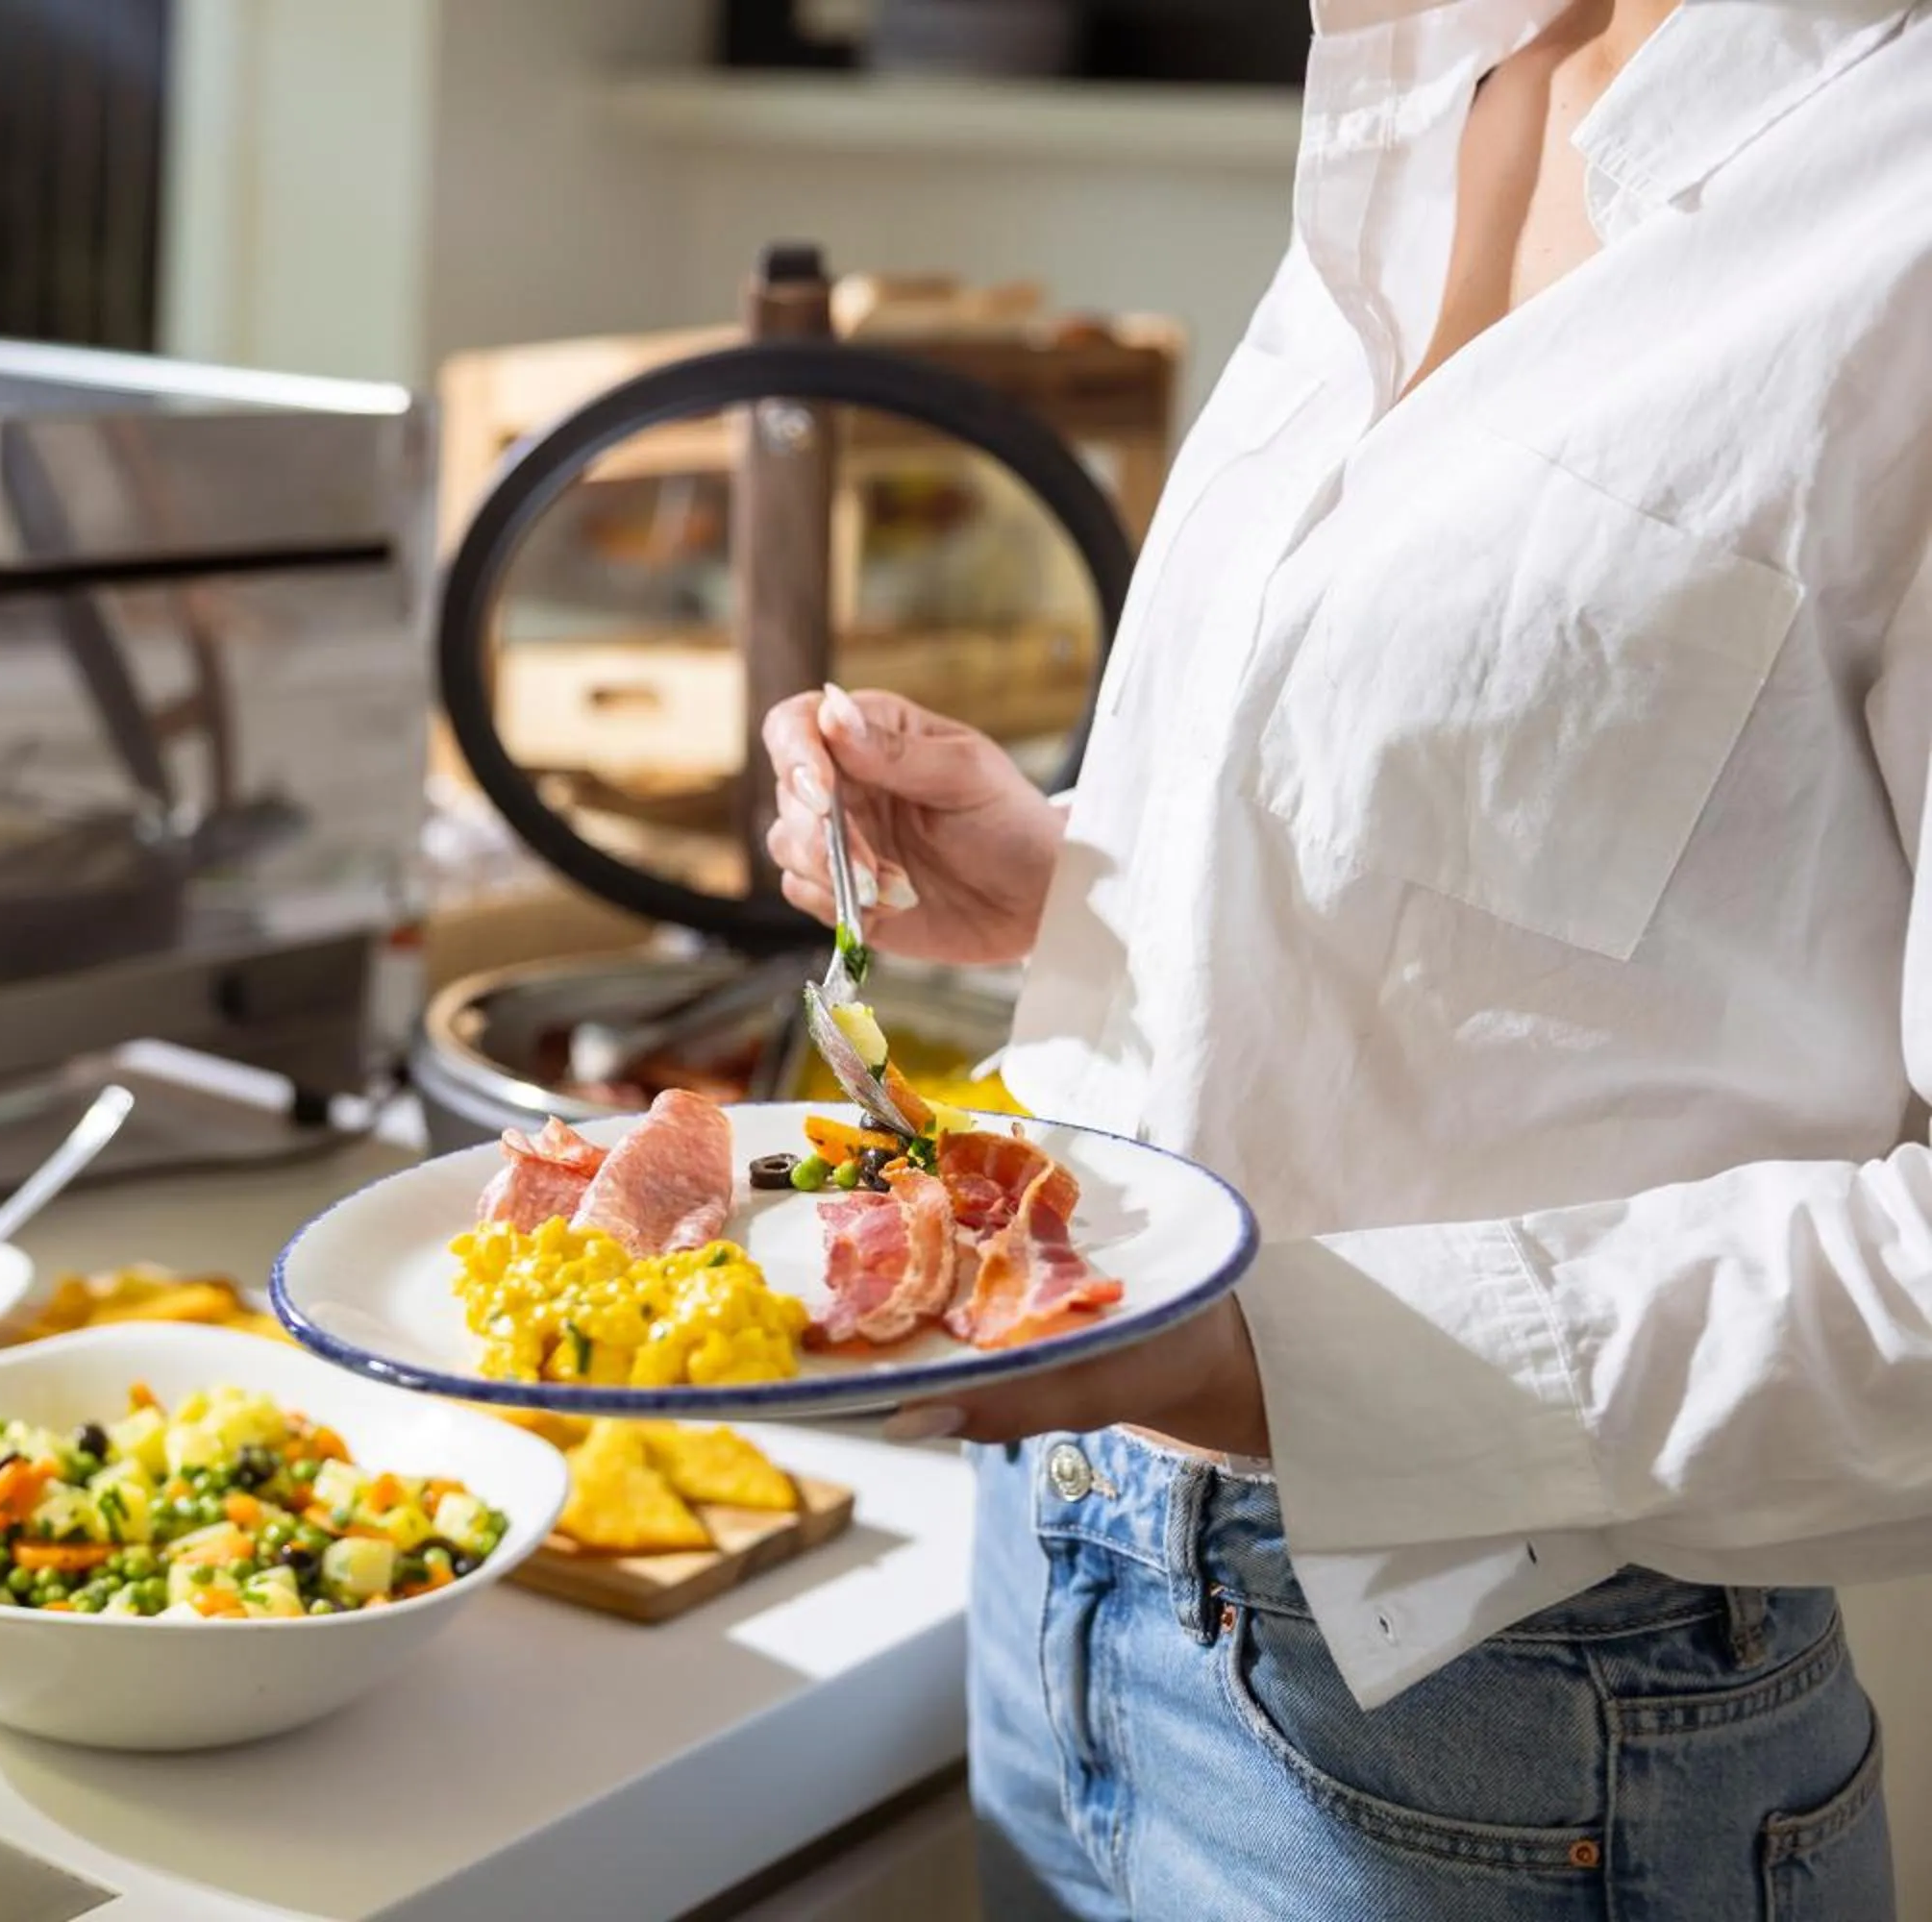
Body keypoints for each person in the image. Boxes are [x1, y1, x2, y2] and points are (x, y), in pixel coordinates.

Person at [762, 0, 1932, 1913]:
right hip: (1062, 1573)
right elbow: (1572, 887)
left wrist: (1268, 1363)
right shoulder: (1440, 64)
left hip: (1517, 1719)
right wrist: (1090, 884)